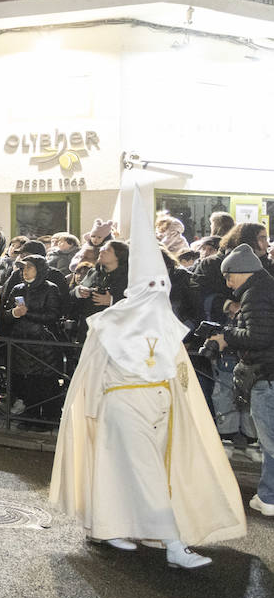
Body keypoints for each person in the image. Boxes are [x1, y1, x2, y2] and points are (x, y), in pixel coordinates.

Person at [53, 187, 245, 569]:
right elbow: (91, 369)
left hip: (159, 405)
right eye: (151, 285)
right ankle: (174, 545)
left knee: (127, 470)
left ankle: (108, 526)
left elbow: (179, 371)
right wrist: (91, 411)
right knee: (145, 472)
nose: (159, 291)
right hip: (121, 404)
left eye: (163, 285)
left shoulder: (165, 320)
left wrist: (182, 405)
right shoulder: (109, 320)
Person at [206, 243, 274, 519]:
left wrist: (227, 337)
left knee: (270, 440)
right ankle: (268, 494)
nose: (227, 281)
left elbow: (259, 337)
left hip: (265, 375)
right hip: (268, 372)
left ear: (240, 271)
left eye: (228, 275)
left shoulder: (255, 294)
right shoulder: (264, 288)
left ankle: (269, 497)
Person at [2, 254, 66, 424]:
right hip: (21, 343)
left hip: (42, 344)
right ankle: (30, 416)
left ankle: (47, 418)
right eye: (23, 268)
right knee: (26, 382)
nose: (25, 271)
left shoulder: (50, 288)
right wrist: (14, 313)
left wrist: (27, 313)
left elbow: (53, 315)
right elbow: (5, 313)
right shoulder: (18, 289)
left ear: (40, 269)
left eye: (29, 267)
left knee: (45, 382)